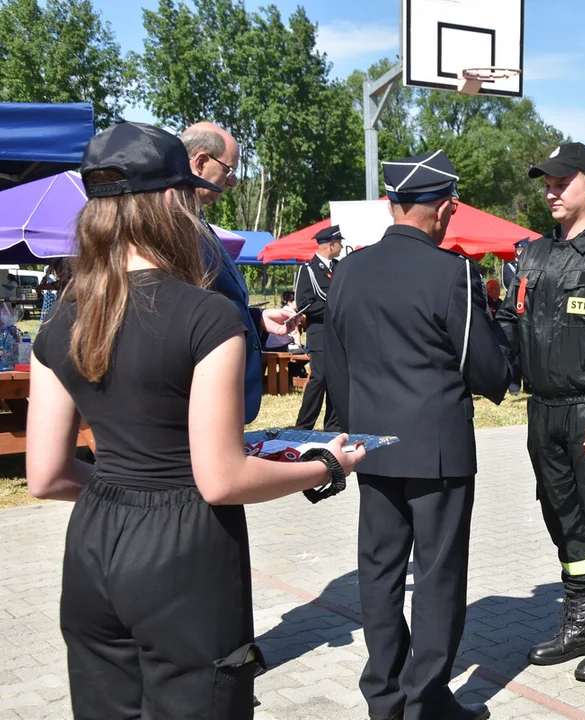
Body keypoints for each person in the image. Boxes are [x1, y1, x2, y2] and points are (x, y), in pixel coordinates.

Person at [24, 121, 363, 720]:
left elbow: (47, 475)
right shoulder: (206, 316)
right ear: (169, 201)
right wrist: (323, 464)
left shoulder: (61, 320)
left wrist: (120, 489)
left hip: (95, 540)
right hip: (186, 546)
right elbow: (221, 478)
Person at [324, 149, 511, 720]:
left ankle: (384, 695)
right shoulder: (452, 271)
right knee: (436, 577)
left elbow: (334, 362)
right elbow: (485, 370)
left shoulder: (347, 269)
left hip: (370, 447)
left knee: (379, 574)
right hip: (437, 452)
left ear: (391, 204)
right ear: (444, 209)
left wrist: (344, 437)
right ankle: (425, 700)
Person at [495, 142, 585, 682]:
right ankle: (581, 615)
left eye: (562, 181)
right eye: (547, 181)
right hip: (544, 410)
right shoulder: (531, 254)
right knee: (563, 519)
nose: (551, 190)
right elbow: (511, 326)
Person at [180, 122, 297, 424]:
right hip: (197, 403)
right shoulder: (173, 225)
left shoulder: (193, 219)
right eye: (229, 171)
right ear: (201, 162)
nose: (232, 183)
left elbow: (212, 300)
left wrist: (257, 320)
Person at [294, 225, 342, 431]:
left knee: (336, 380)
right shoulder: (309, 270)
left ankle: (332, 427)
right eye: (339, 242)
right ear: (331, 245)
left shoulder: (339, 267)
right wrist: (332, 309)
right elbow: (303, 303)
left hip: (337, 335)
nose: (341, 246)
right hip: (320, 333)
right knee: (319, 377)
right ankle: (304, 425)